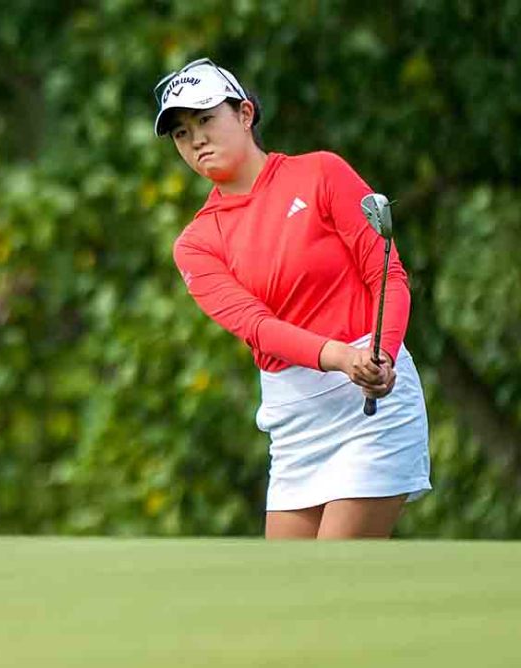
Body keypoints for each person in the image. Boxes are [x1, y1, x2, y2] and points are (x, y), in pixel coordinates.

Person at [153, 58, 431, 539]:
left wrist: (380, 352)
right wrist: (339, 356)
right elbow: (258, 328)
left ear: (244, 114)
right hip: (295, 420)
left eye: (205, 119)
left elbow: (386, 272)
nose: (195, 139)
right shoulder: (196, 243)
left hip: (372, 399)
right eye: (180, 133)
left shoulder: (321, 173)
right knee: (289, 595)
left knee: (335, 579)